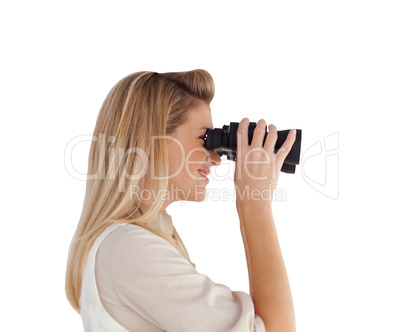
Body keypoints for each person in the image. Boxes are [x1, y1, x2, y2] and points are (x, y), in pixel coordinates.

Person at [65, 69, 297, 332]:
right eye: (204, 138)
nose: (217, 158)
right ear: (149, 141)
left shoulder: (130, 243)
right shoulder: (129, 248)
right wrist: (255, 203)